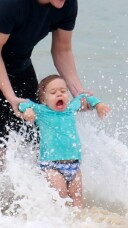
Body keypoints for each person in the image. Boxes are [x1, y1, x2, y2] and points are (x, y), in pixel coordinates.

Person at [0, 0, 88, 167]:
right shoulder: (11, 5)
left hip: (20, 68)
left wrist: (79, 92)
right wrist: (11, 96)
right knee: (2, 147)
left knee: (35, 141)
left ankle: (36, 191)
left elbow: (62, 50)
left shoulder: (66, 4)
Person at [19, 74, 110, 208]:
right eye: (53, 92)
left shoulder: (70, 109)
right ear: (44, 99)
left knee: (77, 198)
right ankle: (61, 225)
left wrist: (98, 104)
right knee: (60, 195)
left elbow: (84, 97)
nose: (59, 94)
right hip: (51, 165)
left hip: (74, 164)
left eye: (63, 91)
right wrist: (27, 110)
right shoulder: (41, 111)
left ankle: (79, 226)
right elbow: (23, 103)